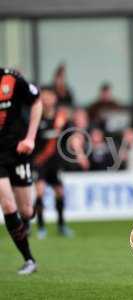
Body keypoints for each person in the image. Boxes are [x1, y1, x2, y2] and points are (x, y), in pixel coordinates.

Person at [0, 68, 42, 274]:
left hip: (18, 151)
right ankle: (29, 260)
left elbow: (37, 101)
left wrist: (30, 138)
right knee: (8, 205)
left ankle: (27, 219)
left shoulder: (11, 78)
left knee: (25, 210)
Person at [32, 86, 73, 239]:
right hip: (39, 161)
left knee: (60, 192)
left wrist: (78, 152)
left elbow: (71, 136)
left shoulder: (61, 118)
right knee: (40, 191)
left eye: (49, 96)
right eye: (44, 96)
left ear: (54, 98)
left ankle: (62, 225)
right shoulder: (35, 117)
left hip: (55, 162)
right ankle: (41, 227)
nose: (47, 99)